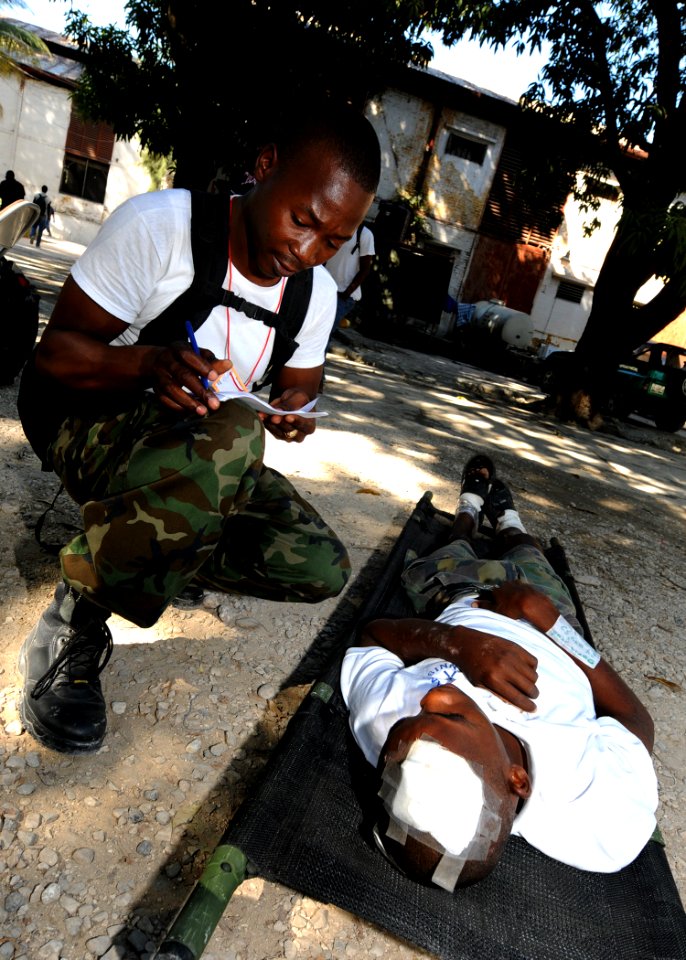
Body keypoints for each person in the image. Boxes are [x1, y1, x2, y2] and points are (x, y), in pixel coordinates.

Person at [17, 104, 381, 755]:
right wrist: (149, 363)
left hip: (196, 454)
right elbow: (52, 358)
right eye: (303, 220)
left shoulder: (313, 294)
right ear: (265, 168)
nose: (307, 251)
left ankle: (148, 551)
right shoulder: (163, 229)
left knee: (319, 565)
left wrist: (298, 405)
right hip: (86, 419)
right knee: (237, 437)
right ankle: (76, 617)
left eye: (332, 240)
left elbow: (302, 382)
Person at [341, 454, 658, 890]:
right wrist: (547, 622)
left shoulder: (385, 729)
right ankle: (508, 517)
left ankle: (469, 508)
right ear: (519, 780)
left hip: (461, 596)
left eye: (417, 719)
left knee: (453, 545)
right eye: (454, 717)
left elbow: (373, 635)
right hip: (547, 617)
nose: (435, 697)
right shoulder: (596, 818)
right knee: (526, 550)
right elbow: (636, 721)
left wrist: (455, 644)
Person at [324, 221, 375, 334]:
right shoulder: (336, 227)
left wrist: (347, 293)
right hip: (325, 289)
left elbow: (365, 269)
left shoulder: (365, 234)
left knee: (325, 333)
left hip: (343, 295)